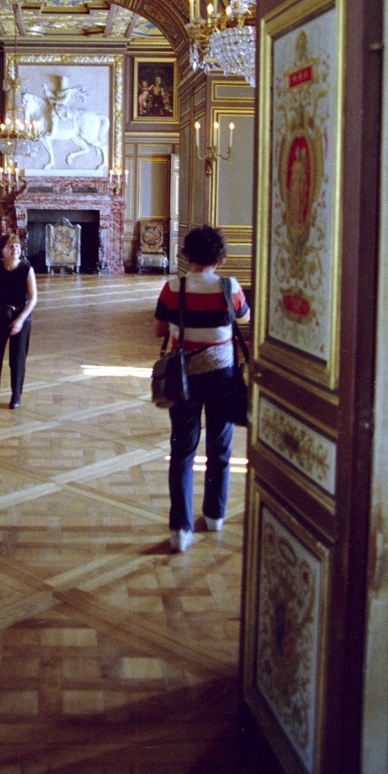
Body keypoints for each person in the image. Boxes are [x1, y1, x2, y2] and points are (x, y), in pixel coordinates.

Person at [154, 225, 250, 553]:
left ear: (187, 255)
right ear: (220, 258)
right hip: (223, 376)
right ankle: (214, 515)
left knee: (182, 451)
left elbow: (158, 331)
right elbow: (243, 317)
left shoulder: (173, 287)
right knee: (220, 447)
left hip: (184, 377)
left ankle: (180, 529)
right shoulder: (229, 286)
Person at [0, 233, 38, 409]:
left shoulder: (26, 269)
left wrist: (20, 320)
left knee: (17, 359)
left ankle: (15, 397)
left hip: (21, 316)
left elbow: (33, 298)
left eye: (17, 246)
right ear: (2, 251)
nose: (14, 248)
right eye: (10, 246)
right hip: (0, 315)